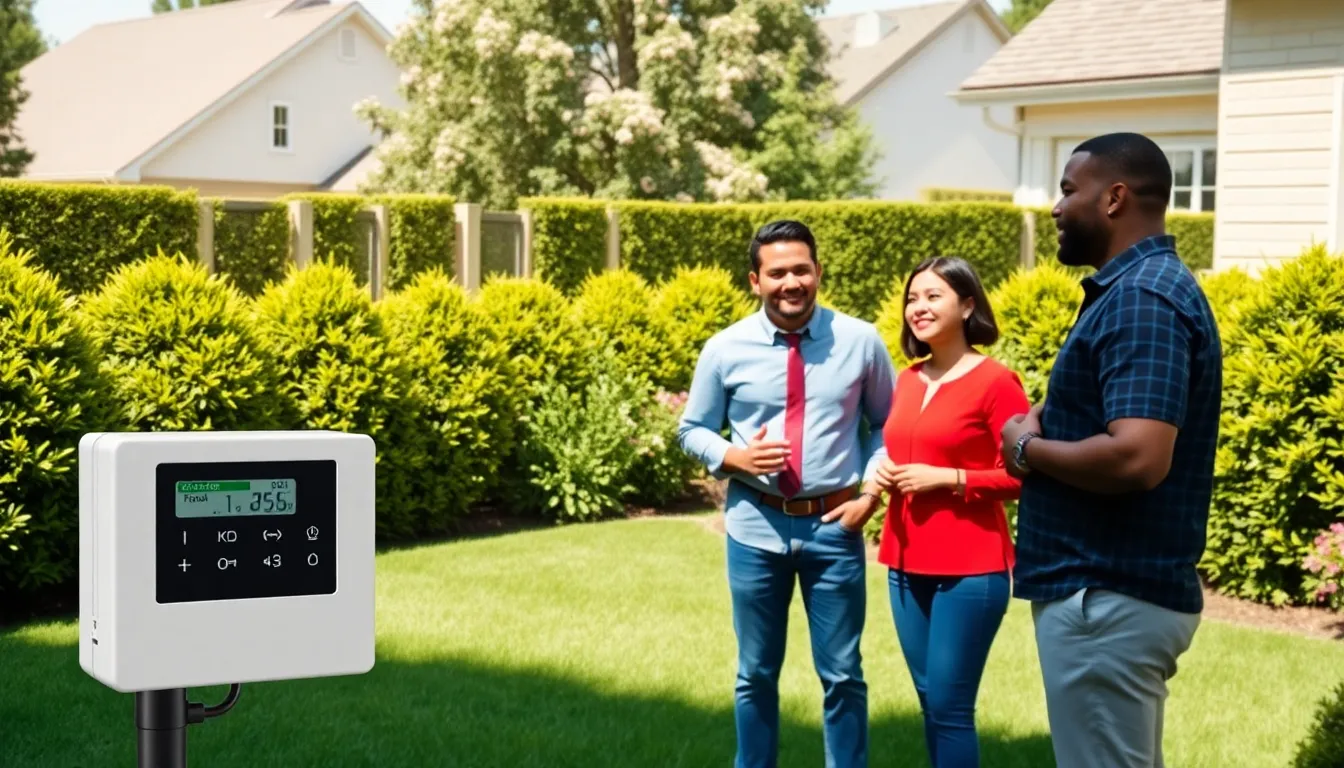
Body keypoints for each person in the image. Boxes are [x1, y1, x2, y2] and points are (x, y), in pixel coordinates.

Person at [999, 132, 1222, 768]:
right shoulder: (1135, 290)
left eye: (1070, 190)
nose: (1056, 206)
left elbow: (1137, 456)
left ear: (1116, 197)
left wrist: (1028, 446)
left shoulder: (1142, 297)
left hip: (1105, 597)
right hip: (1106, 597)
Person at [678, 219, 896, 768]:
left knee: (843, 674)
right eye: (777, 273)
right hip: (754, 527)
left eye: (801, 269)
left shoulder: (860, 341)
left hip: (835, 527)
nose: (791, 282)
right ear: (756, 280)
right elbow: (692, 428)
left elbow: (887, 425)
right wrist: (733, 457)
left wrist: (870, 494)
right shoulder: (725, 348)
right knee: (755, 673)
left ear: (818, 272)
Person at [871, 256, 1028, 768]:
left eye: (933, 296)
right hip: (904, 561)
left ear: (967, 305)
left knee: (950, 705)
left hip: (970, 568)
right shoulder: (908, 379)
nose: (919, 307)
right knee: (929, 702)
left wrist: (951, 478)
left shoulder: (997, 382)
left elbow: (1022, 476)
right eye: (913, 298)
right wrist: (885, 474)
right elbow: (898, 448)